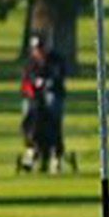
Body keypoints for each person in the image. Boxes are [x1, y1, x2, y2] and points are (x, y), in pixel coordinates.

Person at [19, 27, 72, 174]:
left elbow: (59, 77)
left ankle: (55, 152)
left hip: (53, 94)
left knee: (52, 108)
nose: (39, 52)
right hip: (34, 98)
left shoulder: (56, 60)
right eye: (36, 49)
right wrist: (32, 88)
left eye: (41, 48)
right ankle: (31, 147)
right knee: (29, 115)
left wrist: (48, 83)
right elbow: (25, 83)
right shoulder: (30, 64)